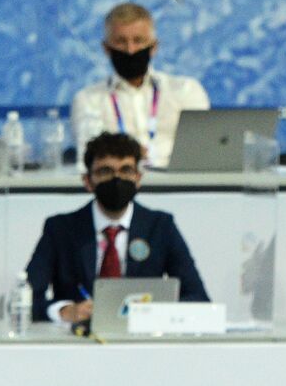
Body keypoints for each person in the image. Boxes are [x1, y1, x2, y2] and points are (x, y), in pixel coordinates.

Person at [25, 132, 208, 324]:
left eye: (126, 170)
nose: (117, 179)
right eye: (105, 171)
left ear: (138, 179)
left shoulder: (160, 227)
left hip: (143, 340)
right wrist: (64, 311)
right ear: (87, 181)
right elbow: (25, 299)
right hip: (80, 341)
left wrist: (154, 312)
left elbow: (198, 298)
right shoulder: (61, 229)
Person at [69, 3, 210, 167]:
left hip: (180, 187)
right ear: (106, 48)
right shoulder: (88, 99)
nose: (130, 50)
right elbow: (91, 156)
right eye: (121, 41)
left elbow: (202, 150)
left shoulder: (186, 91)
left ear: (154, 46)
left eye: (138, 41)